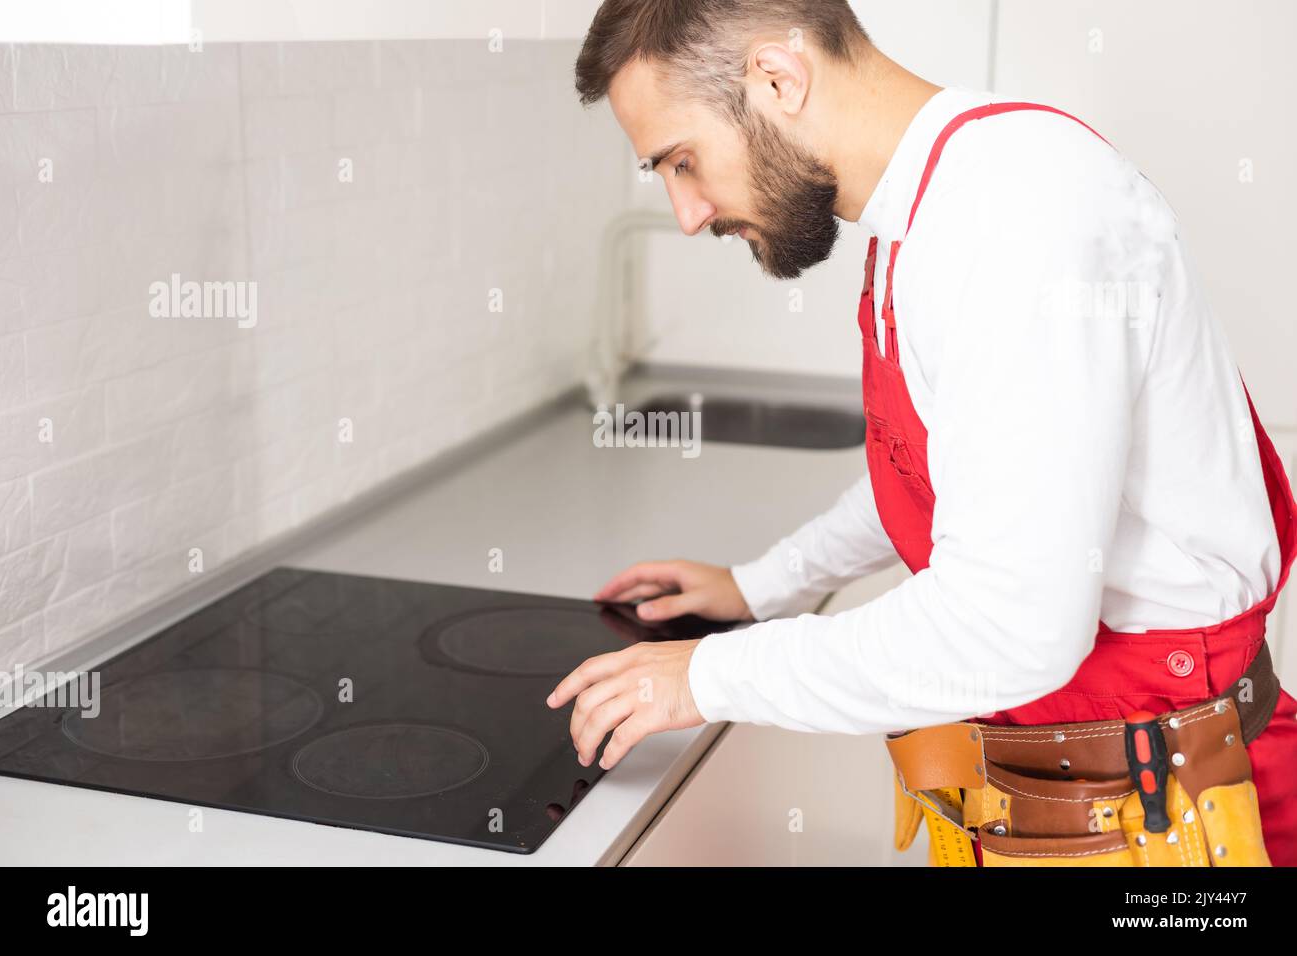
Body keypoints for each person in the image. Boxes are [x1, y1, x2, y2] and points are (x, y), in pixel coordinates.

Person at [546, 0, 1296, 866]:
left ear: (777, 78)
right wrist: (765, 585)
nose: (685, 211)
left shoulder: (1021, 216)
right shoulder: (931, 211)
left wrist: (708, 676)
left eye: (682, 160)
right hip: (1062, 810)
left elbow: (1012, 627)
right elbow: (954, 473)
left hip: (1170, 828)